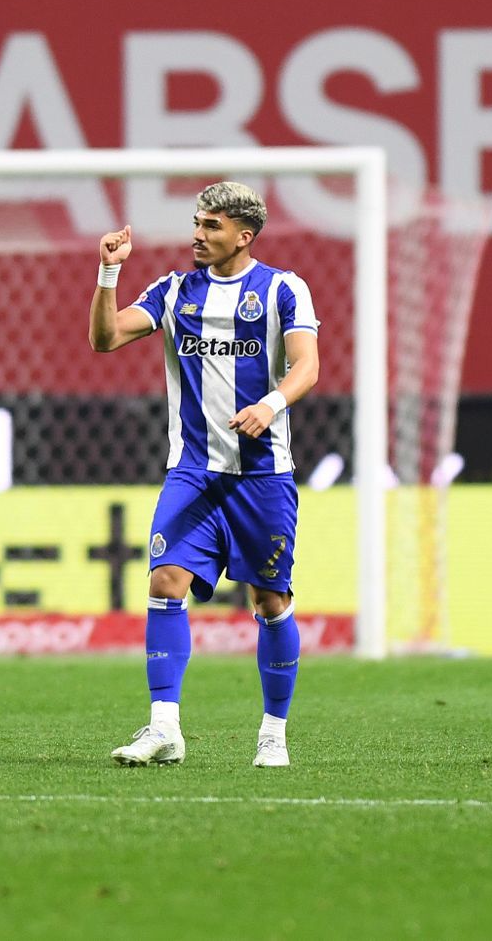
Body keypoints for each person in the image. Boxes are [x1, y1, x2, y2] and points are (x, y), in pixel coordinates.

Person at [89, 182, 319, 768]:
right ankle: (165, 727)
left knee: (269, 601)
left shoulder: (282, 290)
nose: (198, 234)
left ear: (244, 235)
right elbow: (106, 338)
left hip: (262, 475)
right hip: (192, 471)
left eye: (212, 226)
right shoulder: (174, 291)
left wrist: (271, 404)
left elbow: (307, 365)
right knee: (165, 581)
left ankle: (273, 733)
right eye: (196, 222)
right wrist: (108, 275)